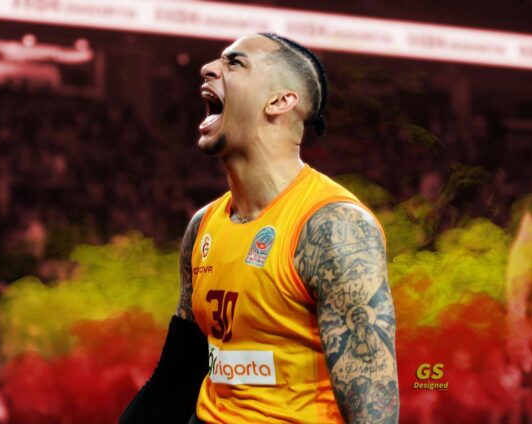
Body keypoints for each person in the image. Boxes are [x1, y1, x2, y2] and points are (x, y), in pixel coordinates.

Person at [120, 33, 399, 424]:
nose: (208, 68)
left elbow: (374, 415)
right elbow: (176, 379)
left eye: (235, 63)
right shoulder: (203, 227)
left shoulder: (333, 227)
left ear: (280, 100)